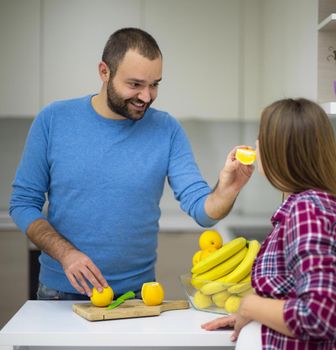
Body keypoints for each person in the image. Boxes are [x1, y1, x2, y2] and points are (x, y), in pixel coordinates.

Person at [9, 27, 253, 300]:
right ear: (104, 72)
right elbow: (22, 203)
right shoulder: (53, 120)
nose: (146, 97)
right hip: (60, 293)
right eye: (135, 84)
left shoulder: (167, 129)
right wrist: (66, 254)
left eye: (155, 84)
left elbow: (202, 210)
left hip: (137, 297)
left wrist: (228, 188)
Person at [202, 98, 336, 349]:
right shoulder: (315, 205)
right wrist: (257, 315)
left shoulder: (308, 211)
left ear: (280, 149)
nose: (256, 145)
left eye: (261, 137)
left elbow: (319, 316)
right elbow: (297, 294)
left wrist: (250, 305)